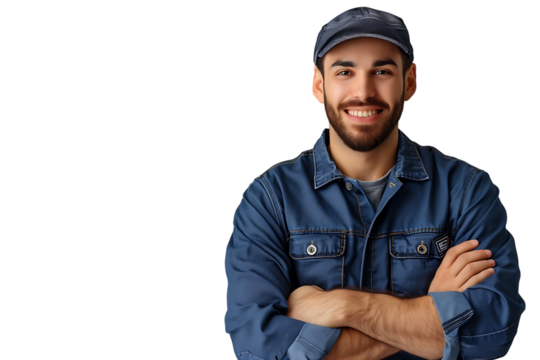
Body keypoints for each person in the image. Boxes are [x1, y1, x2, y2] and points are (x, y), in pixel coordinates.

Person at [224, 5, 525, 360]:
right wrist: (430, 309)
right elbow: (256, 346)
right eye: (345, 71)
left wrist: (342, 306)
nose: (364, 91)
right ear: (319, 86)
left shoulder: (466, 190)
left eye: (381, 70)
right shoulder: (270, 198)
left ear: (409, 82)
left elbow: (491, 333)